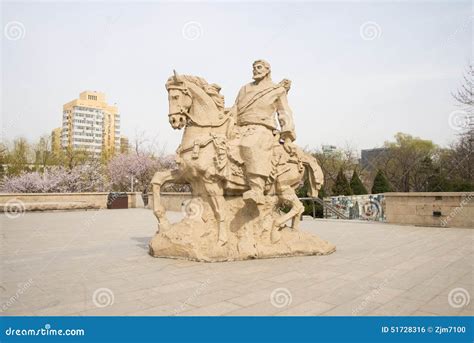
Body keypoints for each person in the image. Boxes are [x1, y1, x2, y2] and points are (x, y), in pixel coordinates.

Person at [231, 59, 296, 205]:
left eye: (259, 67)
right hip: (240, 127)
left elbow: (284, 112)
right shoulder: (244, 89)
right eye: (253, 67)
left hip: (262, 128)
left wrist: (287, 137)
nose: (255, 70)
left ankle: (257, 188)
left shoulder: (276, 90)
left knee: (249, 145)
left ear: (267, 70)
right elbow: (235, 109)